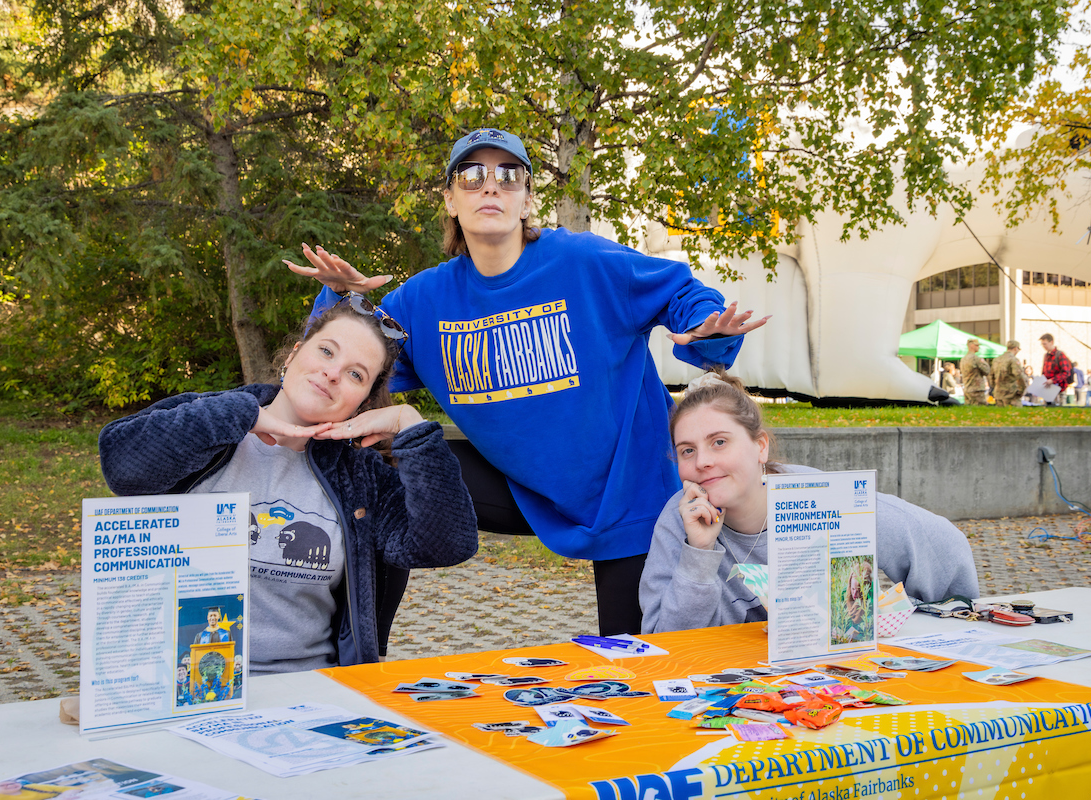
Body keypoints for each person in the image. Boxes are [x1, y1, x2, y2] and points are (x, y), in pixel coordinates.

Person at [285, 127, 770, 635]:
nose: (490, 187)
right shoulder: (426, 301)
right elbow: (350, 361)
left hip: (628, 494)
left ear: (526, 199)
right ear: (450, 200)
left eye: (508, 175)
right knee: (383, 470)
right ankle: (362, 650)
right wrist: (339, 298)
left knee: (637, 666)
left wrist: (704, 327)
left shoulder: (584, 262)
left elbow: (681, 292)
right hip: (522, 487)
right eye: (472, 176)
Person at [98, 299, 478, 672]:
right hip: (179, 682)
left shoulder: (361, 475)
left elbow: (447, 543)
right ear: (293, 355)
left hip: (309, 690)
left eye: (355, 375)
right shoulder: (210, 424)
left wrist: (411, 426)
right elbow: (121, 465)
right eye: (327, 352)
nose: (333, 373)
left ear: (363, 401)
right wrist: (242, 414)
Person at [639, 371, 980, 633]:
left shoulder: (816, 494)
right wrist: (698, 554)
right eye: (688, 450)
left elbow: (937, 540)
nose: (702, 462)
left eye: (719, 442)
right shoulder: (678, 519)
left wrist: (946, 619)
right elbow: (663, 641)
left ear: (761, 446)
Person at [991, 340, 1027, 407]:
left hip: (998, 394)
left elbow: (991, 376)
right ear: (1016, 348)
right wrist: (1021, 390)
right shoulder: (1013, 360)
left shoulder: (996, 359)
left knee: (1000, 416)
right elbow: (1019, 376)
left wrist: (995, 387)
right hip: (1011, 394)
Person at [1039, 333, 1072, 405]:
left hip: (1059, 389)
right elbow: (1044, 372)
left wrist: (1052, 380)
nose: (1043, 346)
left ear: (1051, 342)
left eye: (1045, 344)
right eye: (1042, 344)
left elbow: (1066, 372)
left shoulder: (1060, 355)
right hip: (1048, 388)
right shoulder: (1046, 356)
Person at [960, 339, 991, 405]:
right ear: (971, 346)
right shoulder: (975, 358)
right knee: (980, 410)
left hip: (967, 389)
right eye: (976, 345)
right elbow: (987, 370)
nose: (978, 347)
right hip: (977, 389)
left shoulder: (963, 359)